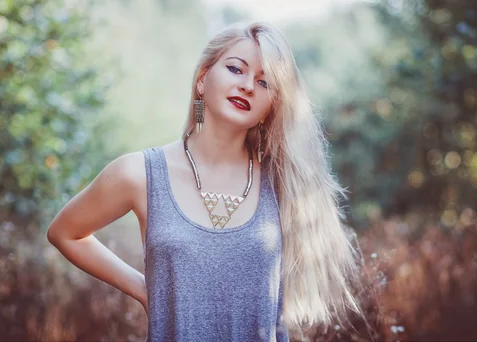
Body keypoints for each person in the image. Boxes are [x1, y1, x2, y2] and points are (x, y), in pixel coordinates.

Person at [47, 21, 363, 341]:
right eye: (235, 69)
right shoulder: (139, 173)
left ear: (271, 108)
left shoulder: (284, 181)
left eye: (264, 82)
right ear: (202, 79)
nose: (248, 86)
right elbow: (65, 233)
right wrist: (144, 290)